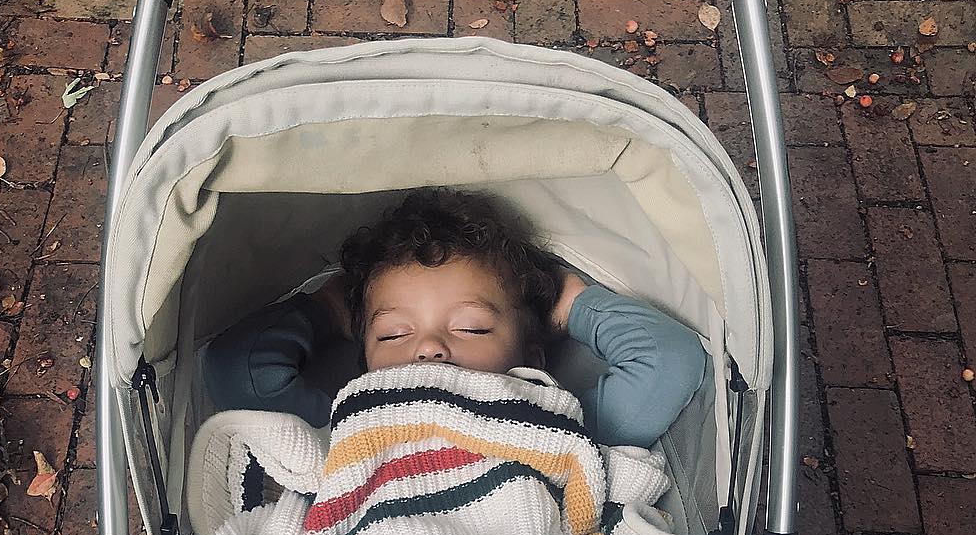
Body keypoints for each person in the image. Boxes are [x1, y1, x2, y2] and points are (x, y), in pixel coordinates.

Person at [198, 188, 708, 450]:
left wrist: (569, 302)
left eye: (472, 327)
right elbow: (232, 368)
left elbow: (669, 359)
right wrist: (328, 310)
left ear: (531, 355)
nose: (429, 348)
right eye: (394, 333)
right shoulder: (346, 427)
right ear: (363, 368)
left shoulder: (557, 426)